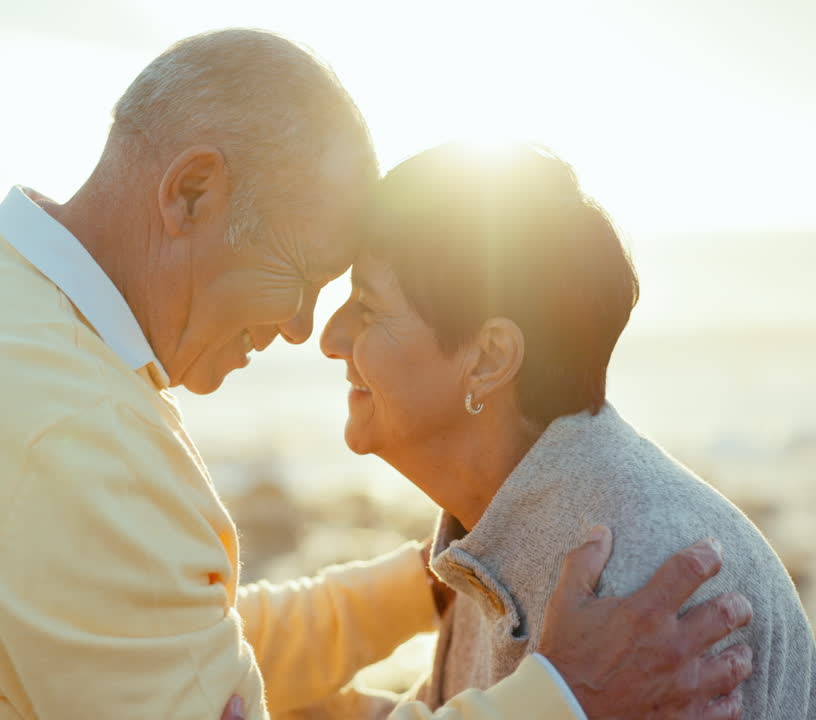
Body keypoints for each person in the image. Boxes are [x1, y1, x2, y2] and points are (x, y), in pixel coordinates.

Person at [0, 30, 753, 719]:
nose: (308, 329)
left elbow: (169, 635)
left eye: (349, 298)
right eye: (302, 278)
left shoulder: (6, 322)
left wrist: (414, 590)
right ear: (192, 192)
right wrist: (563, 702)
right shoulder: (65, 429)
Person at [319, 141, 813, 717]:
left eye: (369, 308)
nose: (330, 337)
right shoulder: (495, 538)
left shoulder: (638, 576)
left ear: (487, 359)